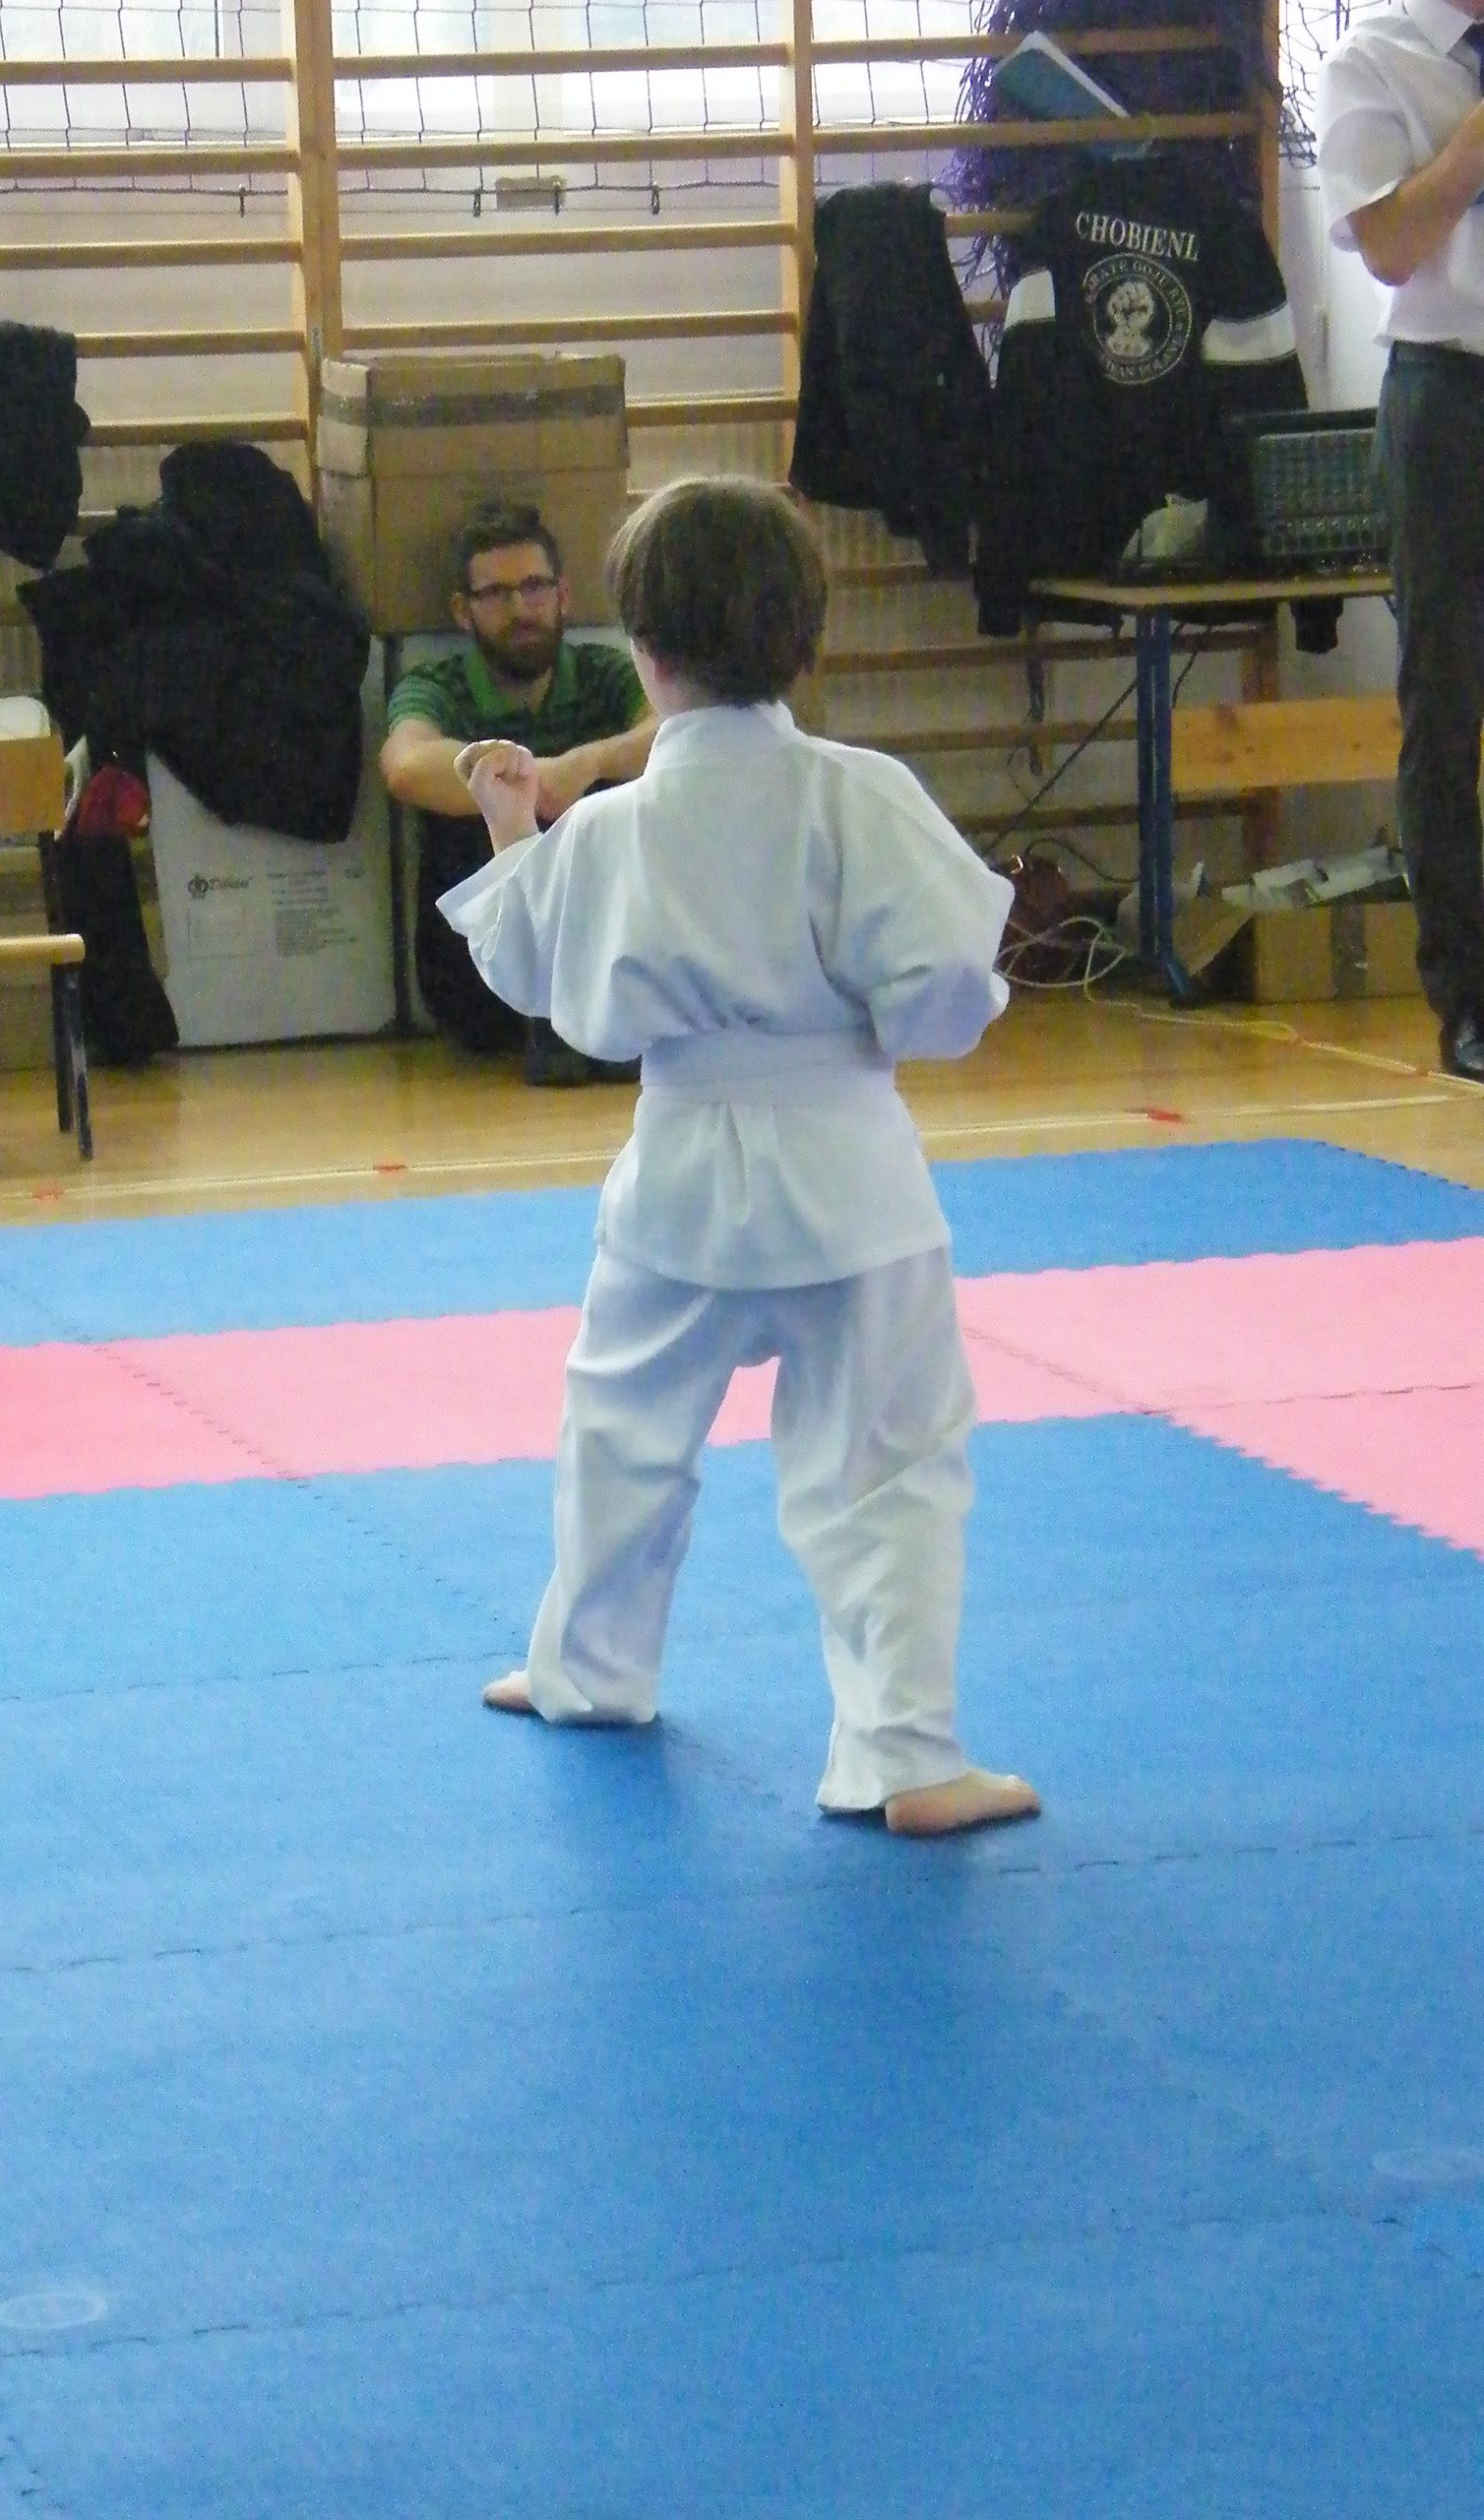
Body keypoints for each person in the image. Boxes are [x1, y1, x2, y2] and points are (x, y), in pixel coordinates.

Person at [439, 476, 1040, 1836]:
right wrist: (899, 1023)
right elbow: (950, 985)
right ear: (805, 642)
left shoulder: (617, 825)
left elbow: (531, 965)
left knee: (619, 1433)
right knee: (893, 1469)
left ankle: (589, 1670)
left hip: (679, 1183)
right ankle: (907, 1756)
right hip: (853, 1179)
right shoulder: (859, 796)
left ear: (642, 654)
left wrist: (513, 825)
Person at [1319, 1, 1484, 1083]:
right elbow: (1388, 246)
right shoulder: (1372, 59)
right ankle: (1469, 1000)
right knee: (1446, 702)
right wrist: (1471, 143)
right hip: (1449, 397)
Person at [379, 499, 658, 1085]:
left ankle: (589, 1011)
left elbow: (676, 729)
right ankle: (556, 1011)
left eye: (534, 587)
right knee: (473, 800)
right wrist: (513, 784)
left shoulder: (604, 671)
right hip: (480, 988)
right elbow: (404, 764)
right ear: (463, 611)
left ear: (563, 595)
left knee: (617, 800)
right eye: (495, 594)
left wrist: (585, 764)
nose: (519, 609)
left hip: (611, 962)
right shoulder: (437, 685)